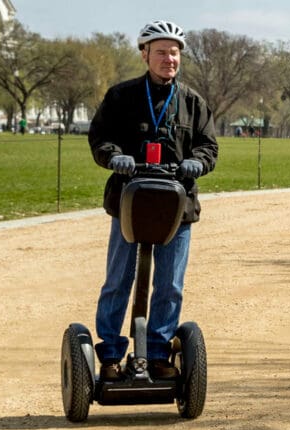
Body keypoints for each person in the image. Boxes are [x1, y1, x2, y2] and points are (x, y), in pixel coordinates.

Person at [87, 19, 218, 380]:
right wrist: (114, 155)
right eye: (161, 52)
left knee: (170, 285)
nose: (169, 59)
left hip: (178, 207)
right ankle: (111, 355)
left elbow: (209, 146)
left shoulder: (192, 101)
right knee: (119, 279)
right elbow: (100, 137)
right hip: (129, 203)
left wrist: (198, 162)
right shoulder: (121, 96)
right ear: (145, 54)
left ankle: (159, 353)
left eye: (174, 53)